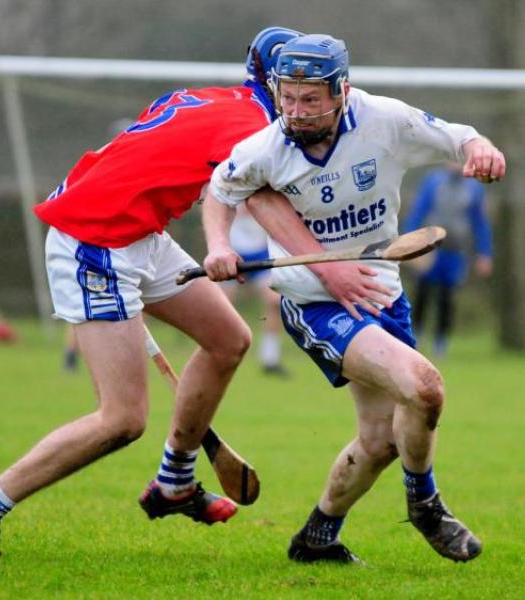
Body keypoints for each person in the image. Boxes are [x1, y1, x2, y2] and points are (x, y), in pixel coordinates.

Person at [0, 26, 303, 558]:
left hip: (136, 234)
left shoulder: (209, 98)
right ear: (273, 84)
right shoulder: (251, 129)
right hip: (96, 241)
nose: (310, 101)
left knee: (228, 339)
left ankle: (175, 481)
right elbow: (260, 199)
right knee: (123, 419)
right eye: (298, 87)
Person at [202, 34, 505, 564]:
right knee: (426, 387)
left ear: (340, 90)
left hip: (382, 294)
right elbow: (220, 191)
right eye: (287, 96)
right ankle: (425, 505)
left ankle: (317, 537)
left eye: (310, 99)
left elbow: (458, 138)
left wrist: (479, 147)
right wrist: (220, 246)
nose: (296, 111)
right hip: (315, 304)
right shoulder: (264, 149)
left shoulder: (384, 120)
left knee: (381, 442)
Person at [403, 163, 493, 357]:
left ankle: (440, 343)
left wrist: (484, 253)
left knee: (447, 297)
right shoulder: (434, 181)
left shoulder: (475, 188)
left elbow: (480, 223)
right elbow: (418, 211)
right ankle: (416, 336)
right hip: (431, 248)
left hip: (456, 251)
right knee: (422, 293)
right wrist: (408, 243)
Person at [222, 203, 289, 376]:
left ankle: (270, 359)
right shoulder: (222, 180)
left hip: (260, 252)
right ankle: (221, 353)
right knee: (222, 305)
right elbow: (209, 205)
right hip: (232, 250)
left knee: (274, 301)